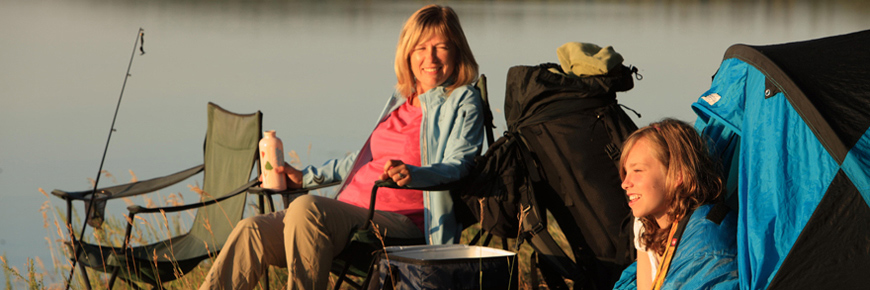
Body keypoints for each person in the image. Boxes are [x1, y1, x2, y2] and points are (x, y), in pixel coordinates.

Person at [199, 5, 483, 290]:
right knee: (252, 230)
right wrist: (306, 177)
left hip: (404, 225)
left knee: (307, 208)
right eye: (421, 48)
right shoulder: (400, 102)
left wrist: (414, 174)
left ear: (457, 50)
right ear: (408, 55)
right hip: (350, 214)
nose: (430, 57)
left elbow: (460, 165)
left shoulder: (462, 100)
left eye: (441, 47)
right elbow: (360, 161)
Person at [613, 119, 738, 290]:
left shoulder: (706, 240)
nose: (625, 183)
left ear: (678, 174)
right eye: (626, 172)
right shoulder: (653, 230)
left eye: (637, 170)